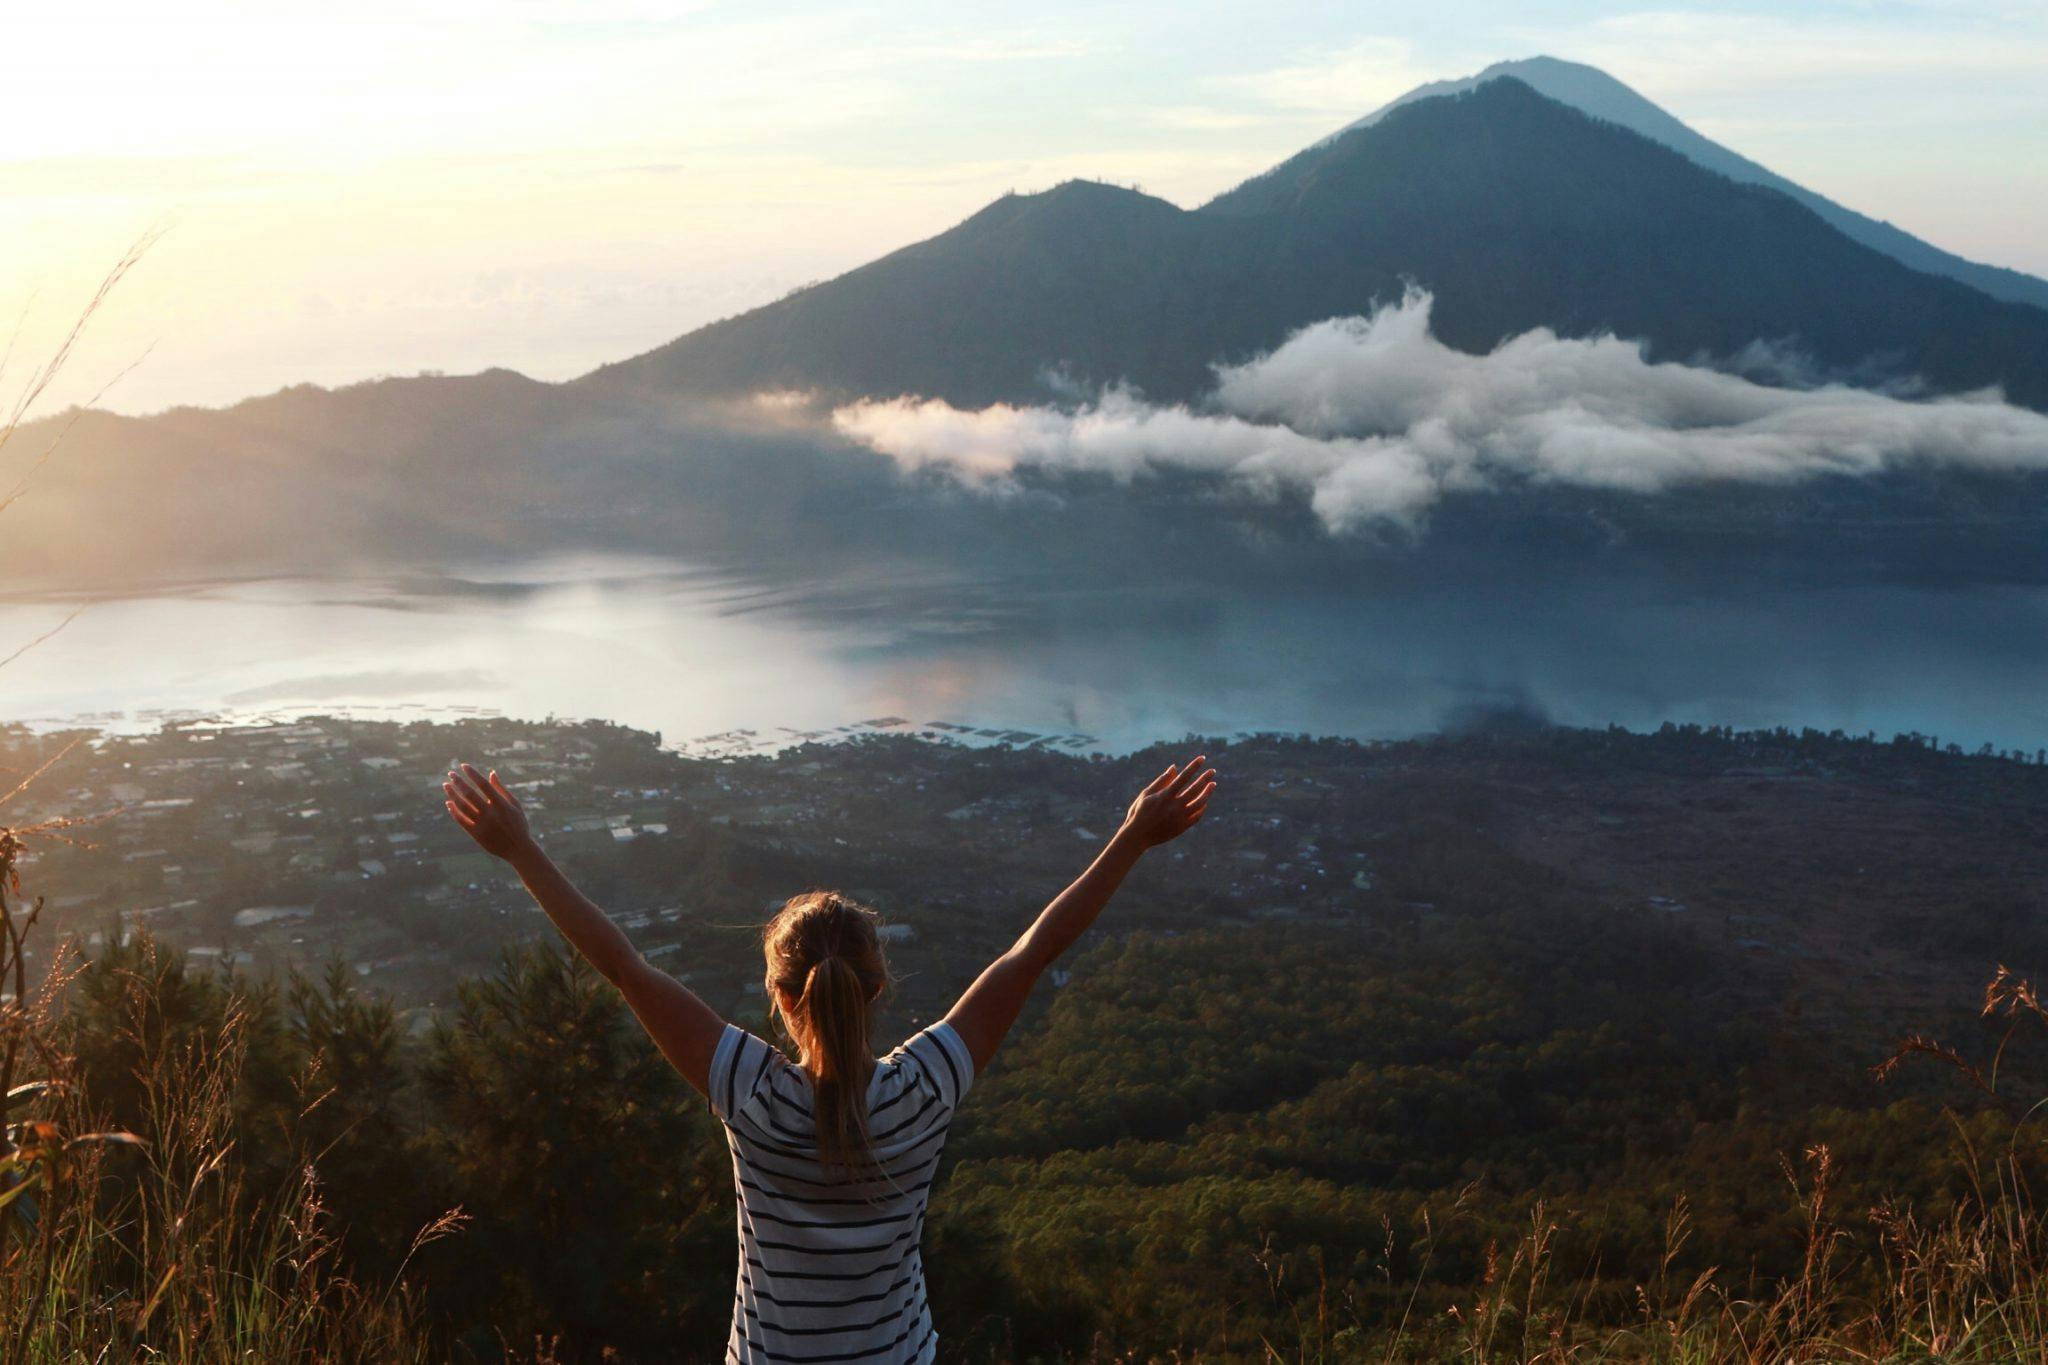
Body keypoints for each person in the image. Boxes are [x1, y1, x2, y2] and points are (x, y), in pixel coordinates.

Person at [441, 751, 1218, 1363]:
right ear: (878, 989)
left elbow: (624, 967)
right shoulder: (924, 1092)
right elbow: (1035, 950)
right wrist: (1132, 838)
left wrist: (521, 850)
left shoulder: (749, 1091)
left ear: (781, 998)